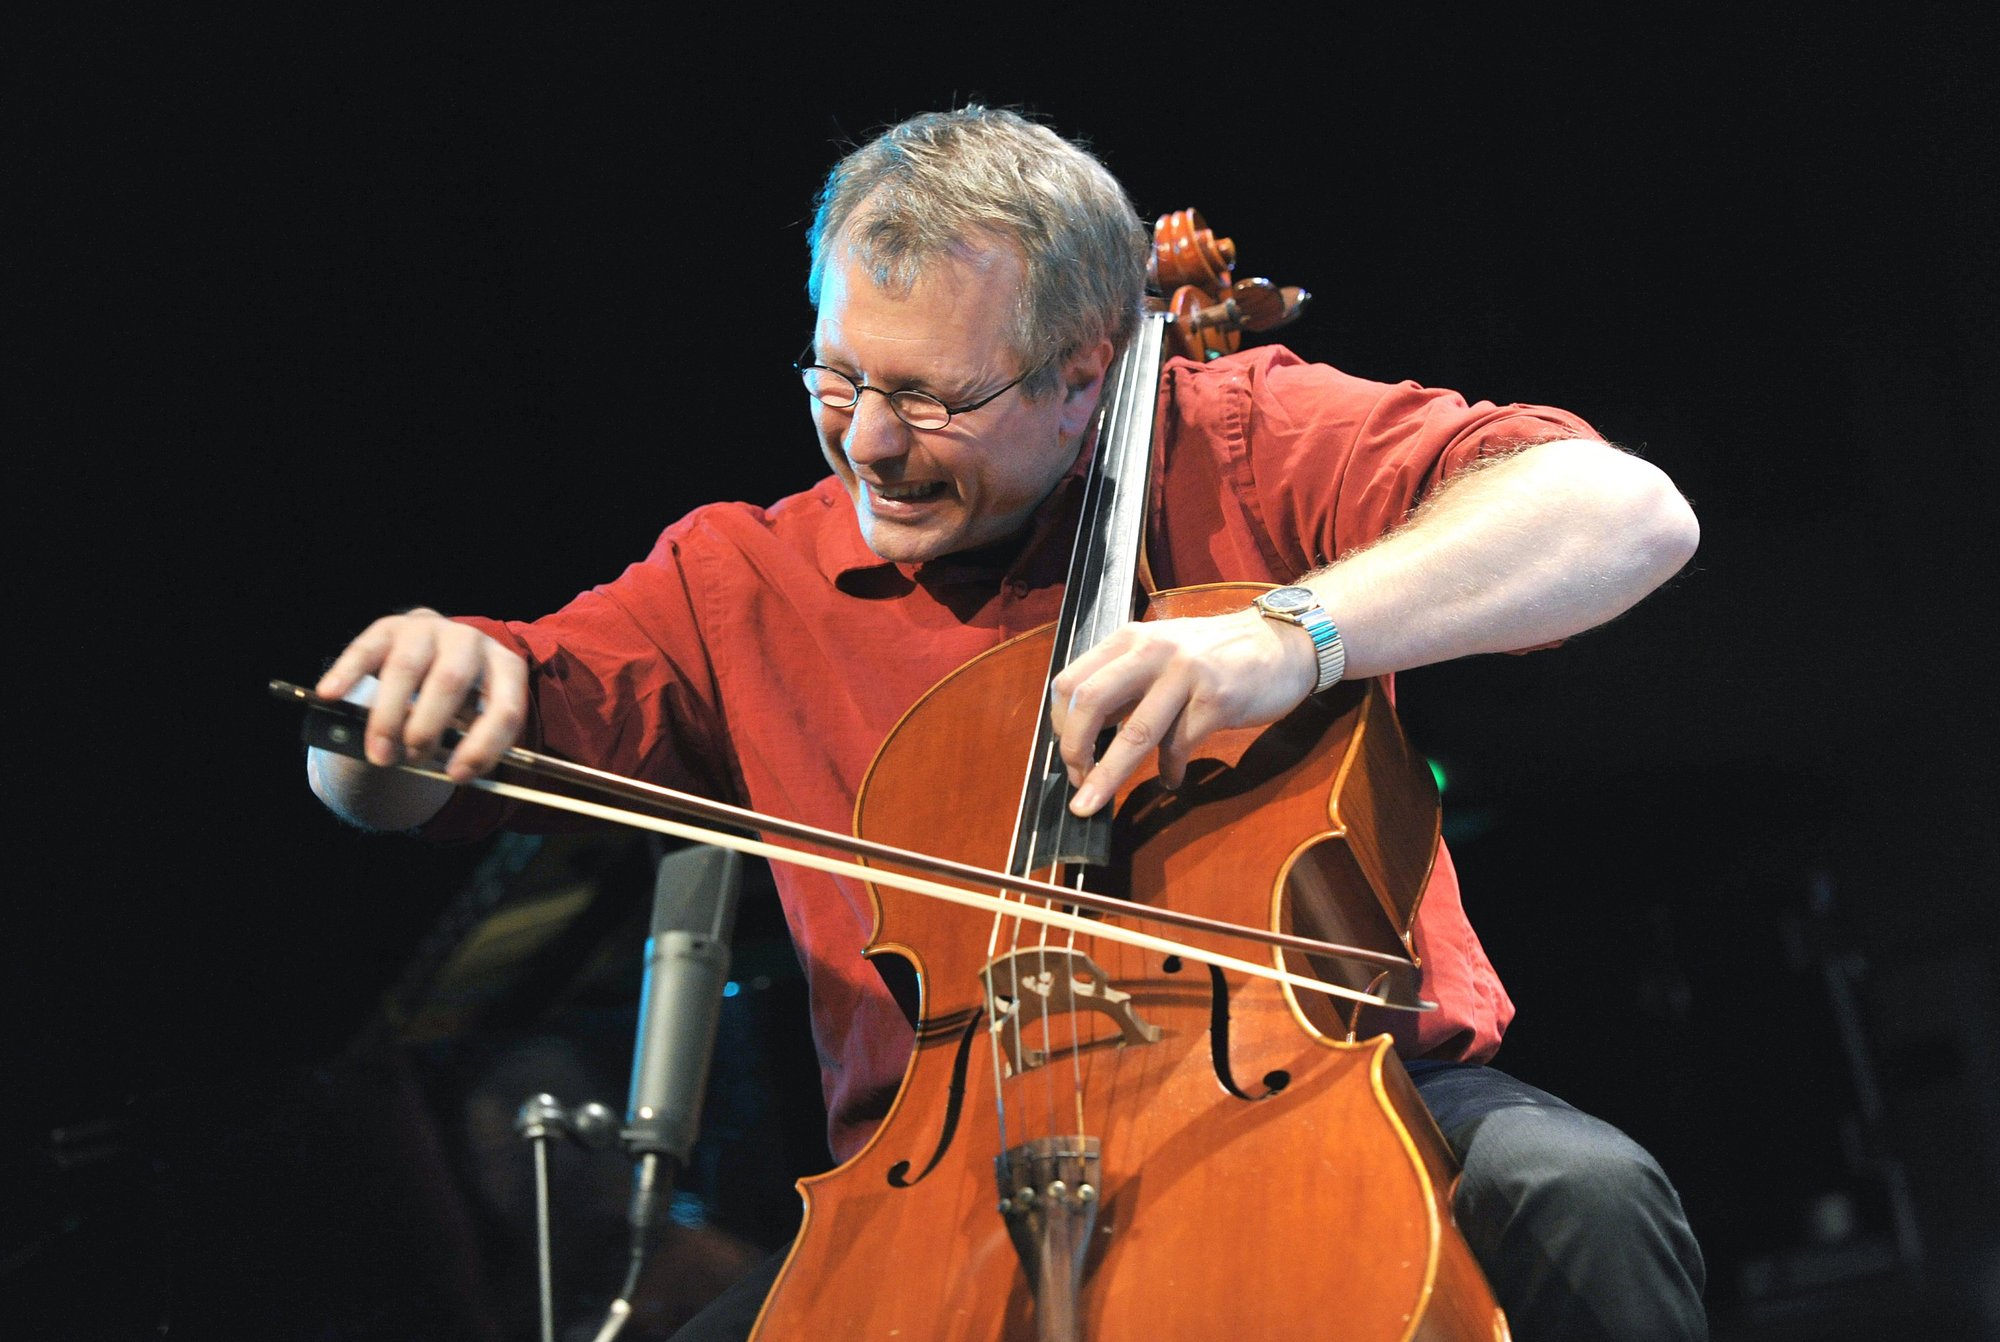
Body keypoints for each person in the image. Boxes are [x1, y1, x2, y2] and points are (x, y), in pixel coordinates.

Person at [308, 106, 1708, 1339]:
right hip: (932, 1187)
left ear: (1083, 374)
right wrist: (388, 714)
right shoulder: (741, 579)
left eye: (931, 397)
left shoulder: (1237, 441)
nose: (868, 441)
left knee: (1582, 1196)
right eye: (839, 377)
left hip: (1330, 1099)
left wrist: (1294, 633)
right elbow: (403, 777)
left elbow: (1624, 513)